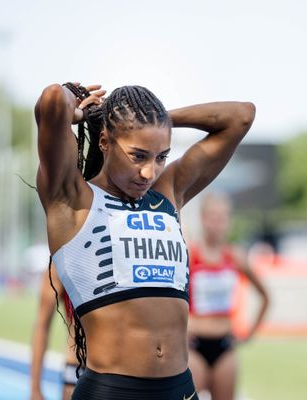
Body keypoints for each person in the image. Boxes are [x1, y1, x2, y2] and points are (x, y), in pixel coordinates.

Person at [34, 81, 255, 399]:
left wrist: (157, 120)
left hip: (180, 388)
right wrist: (83, 111)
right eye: (138, 155)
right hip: (112, 390)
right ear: (106, 140)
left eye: (161, 156)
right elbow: (53, 99)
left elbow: (241, 116)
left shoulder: (169, 193)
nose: (149, 172)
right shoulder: (72, 200)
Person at [188, 192, 269, 400]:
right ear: (203, 219)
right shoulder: (190, 254)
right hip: (194, 345)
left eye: (222, 217)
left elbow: (265, 297)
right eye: (212, 217)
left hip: (225, 345)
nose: (217, 223)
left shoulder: (235, 256)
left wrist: (249, 333)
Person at [30, 267, 82, 400]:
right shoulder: (60, 261)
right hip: (77, 369)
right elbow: (42, 325)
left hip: (124, 370)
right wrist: (35, 389)